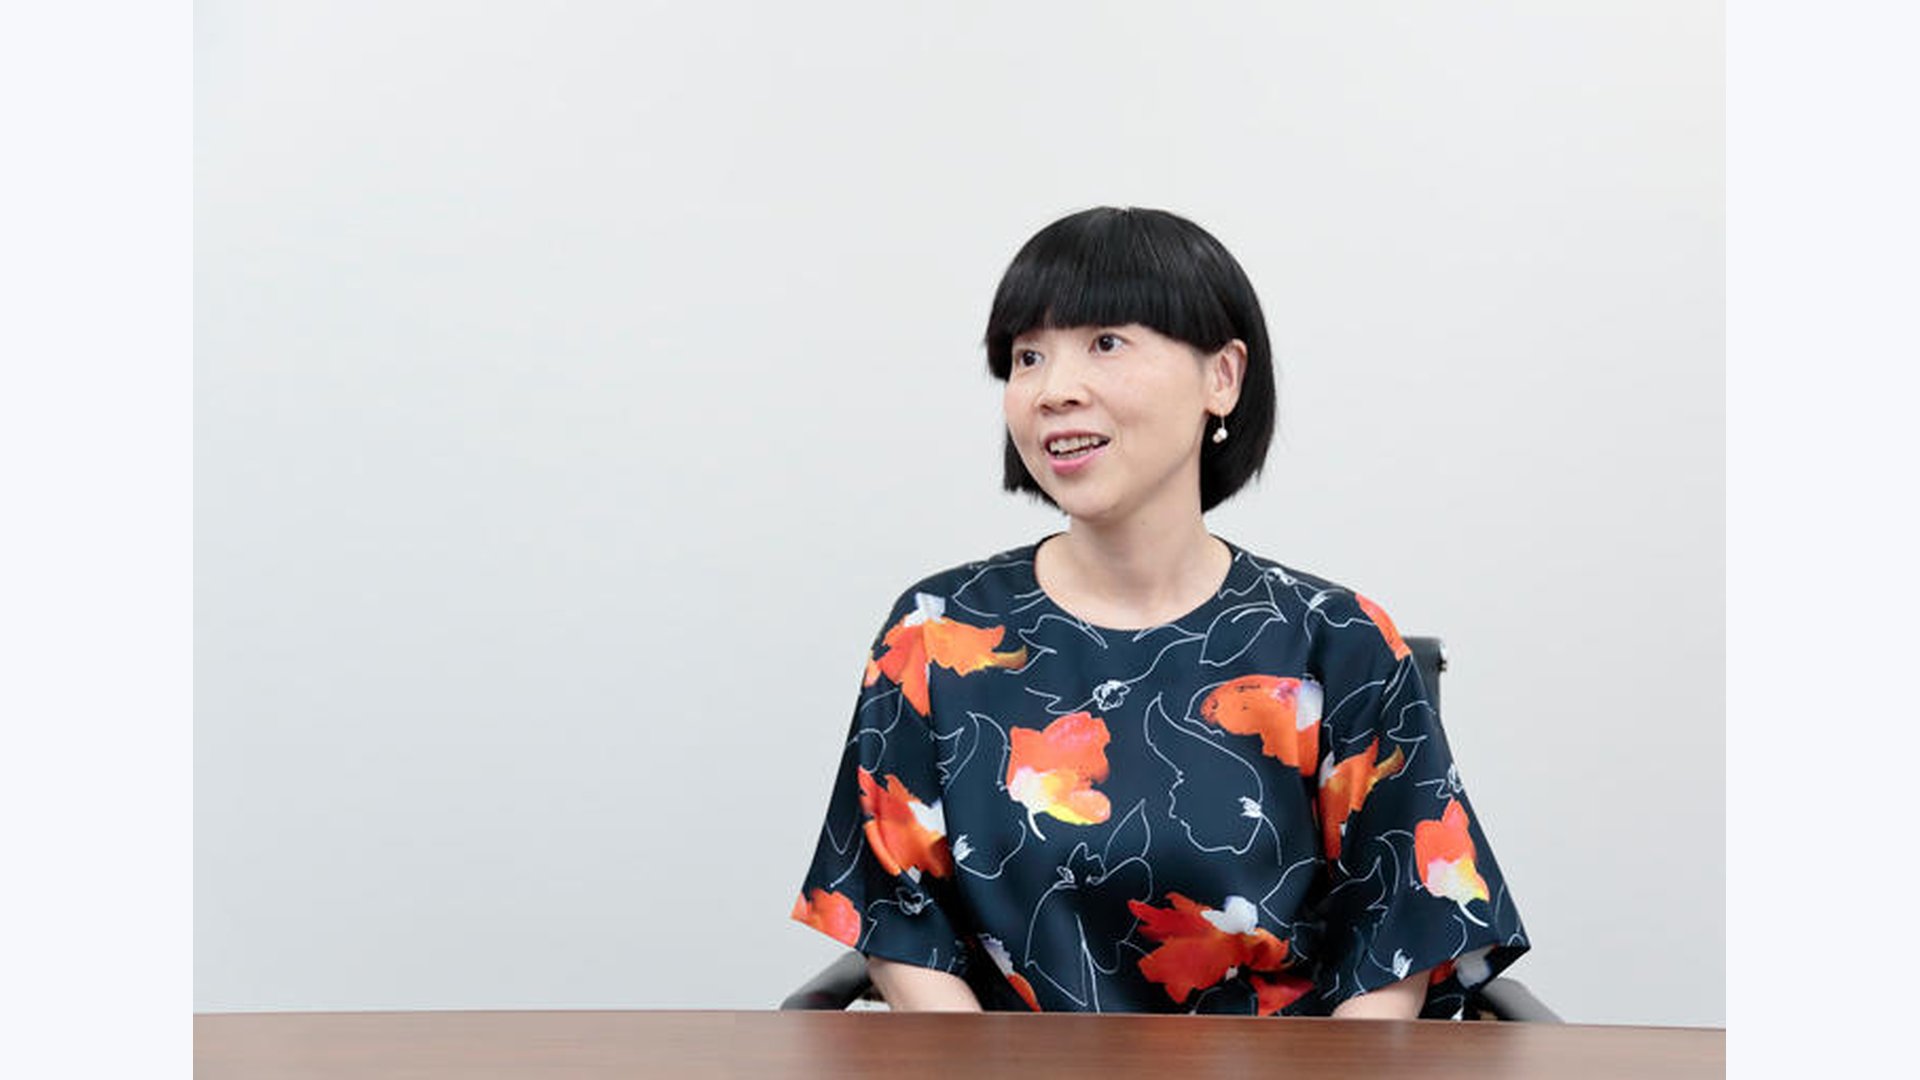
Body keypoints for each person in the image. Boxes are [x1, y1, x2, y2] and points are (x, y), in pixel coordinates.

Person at [790, 207, 1529, 1017]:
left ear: (1223, 378)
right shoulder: (937, 633)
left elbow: (1396, 947)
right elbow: (900, 926)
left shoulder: (1340, 641)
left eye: (1106, 343)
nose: (1054, 390)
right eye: (1028, 357)